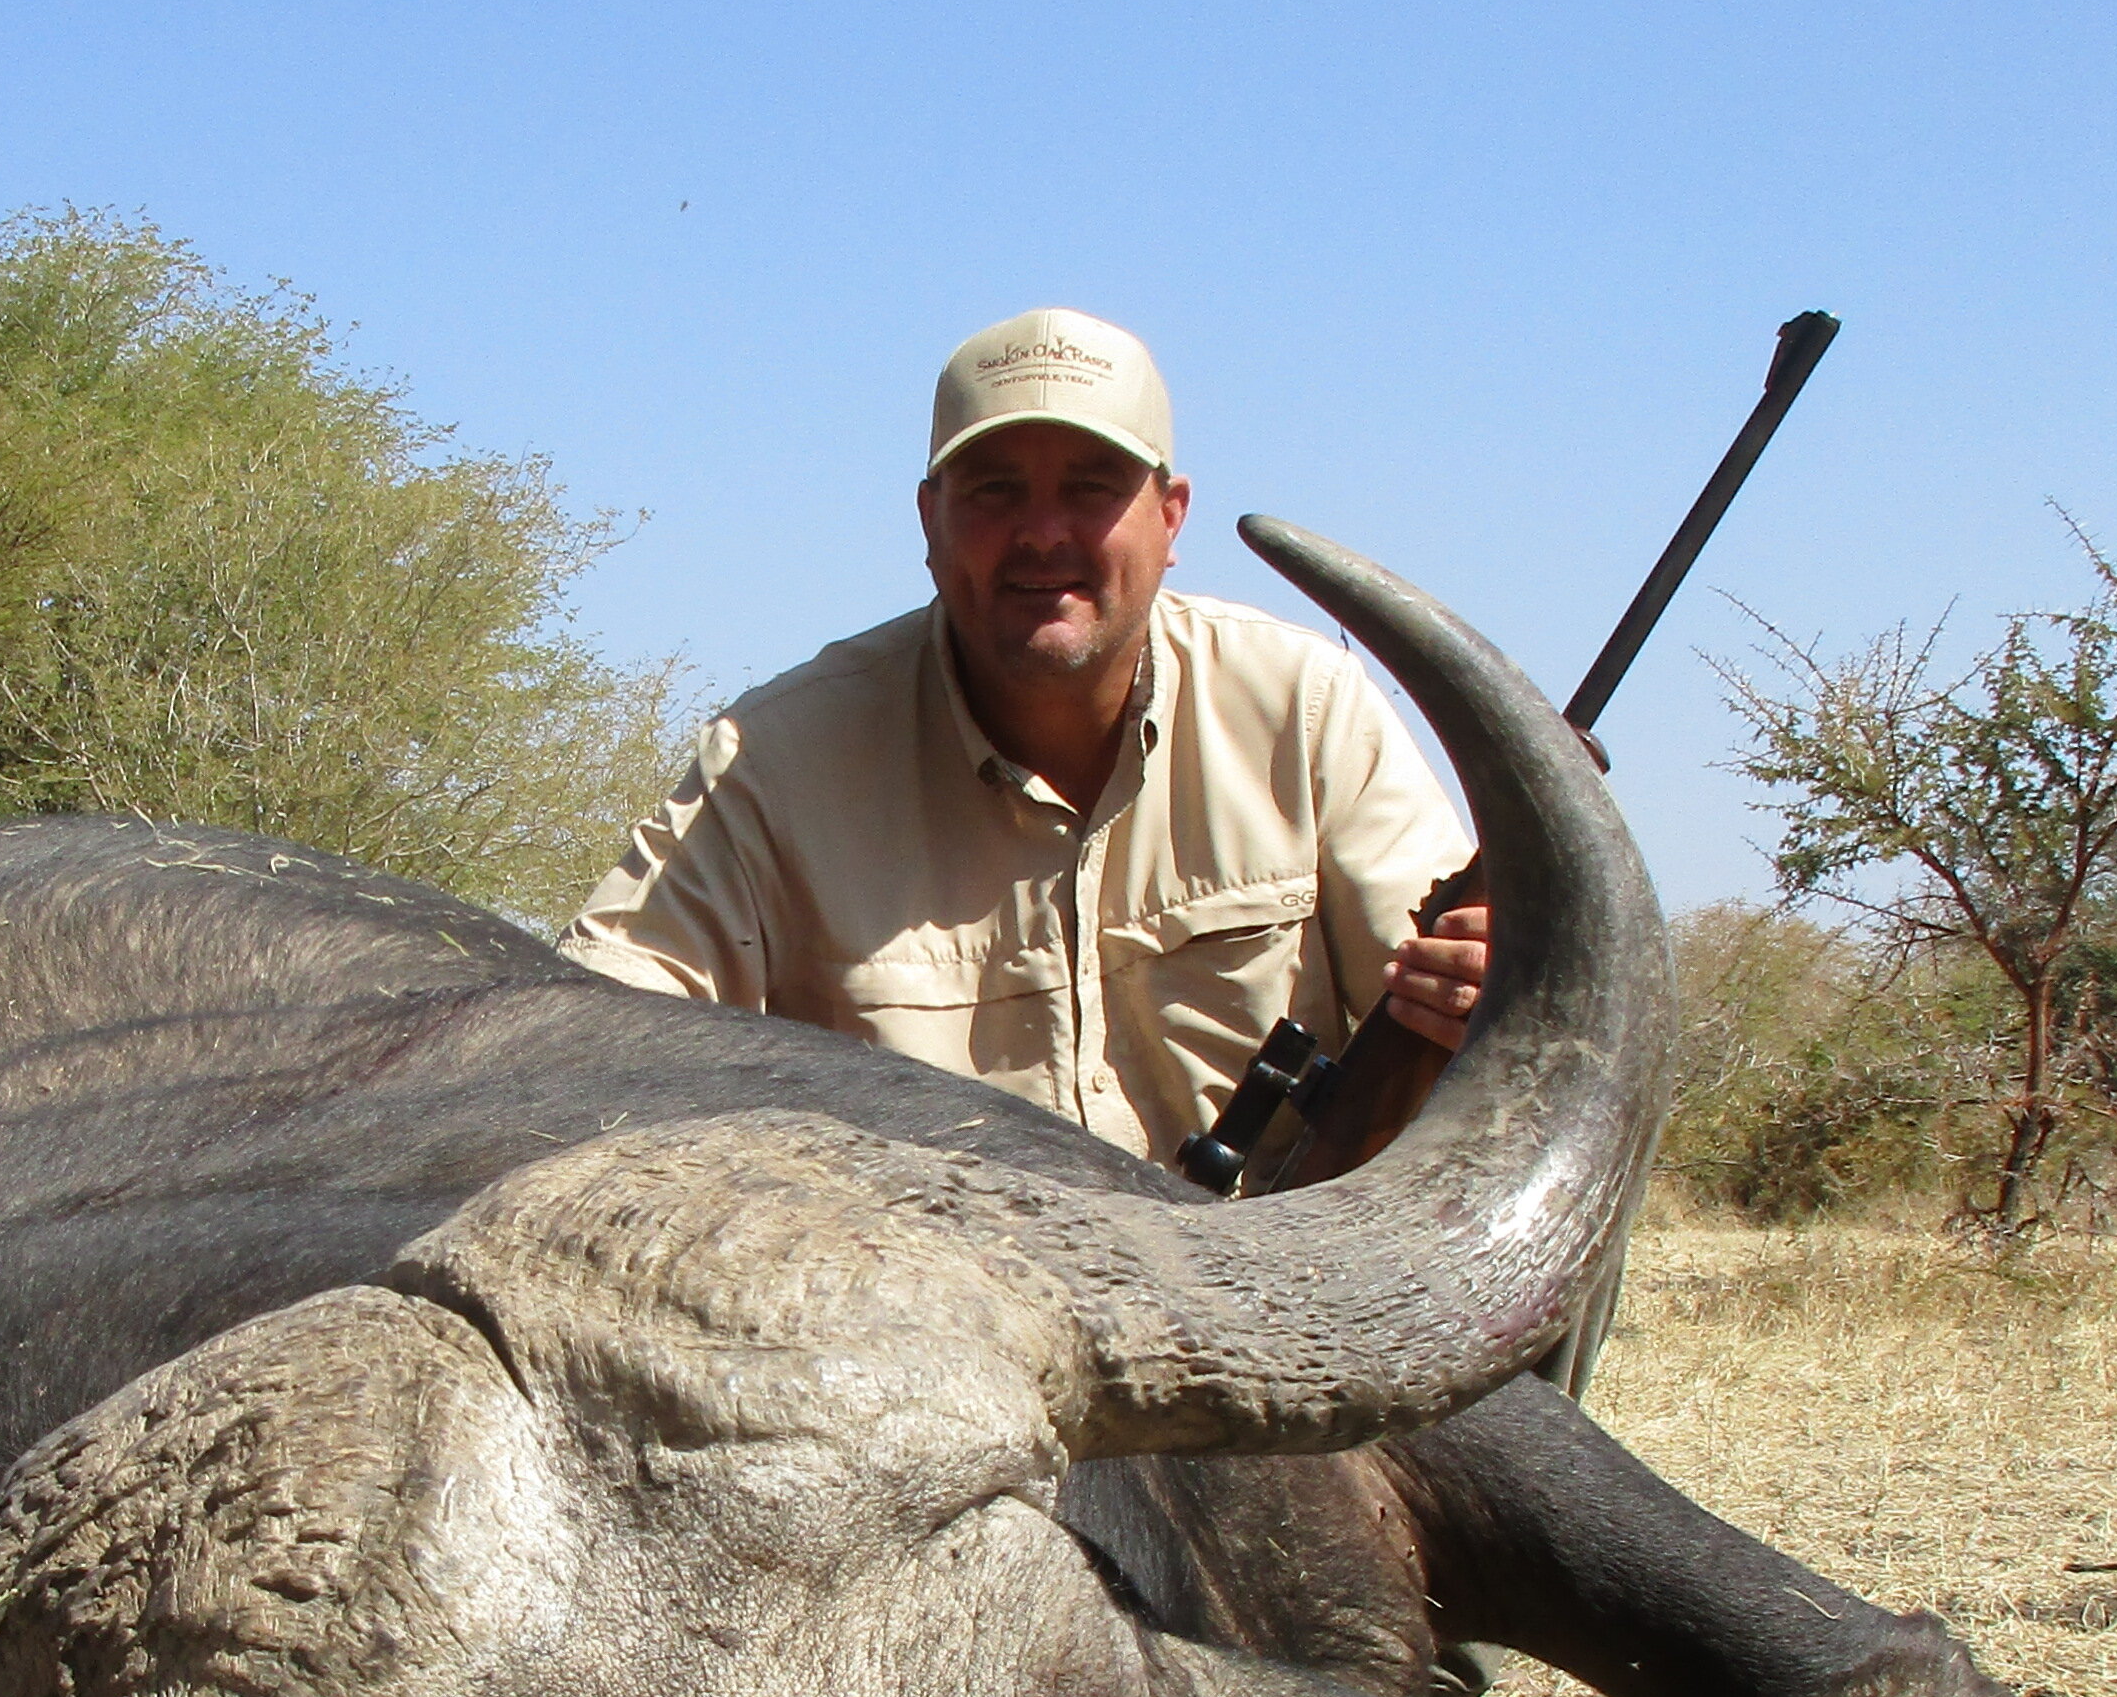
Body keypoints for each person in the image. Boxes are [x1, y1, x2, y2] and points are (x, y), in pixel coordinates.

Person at [564, 306, 1498, 1161]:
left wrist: (1487, 989)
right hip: (925, 1316)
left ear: (1171, 517)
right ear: (930, 519)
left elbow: (1446, 1003)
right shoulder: (775, 760)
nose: (1042, 534)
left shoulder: (1307, 709)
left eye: (1092, 488)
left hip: (1277, 1297)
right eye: (995, 490)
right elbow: (584, 1045)